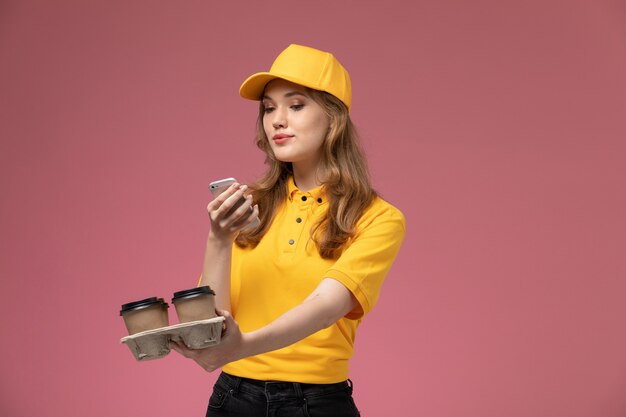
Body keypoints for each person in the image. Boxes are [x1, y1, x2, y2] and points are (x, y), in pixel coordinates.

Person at [171, 44, 406, 417]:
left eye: (296, 105)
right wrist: (218, 239)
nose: (277, 120)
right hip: (232, 400)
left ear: (333, 118)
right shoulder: (250, 207)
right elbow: (211, 323)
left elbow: (326, 306)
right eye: (268, 108)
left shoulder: (378, 217)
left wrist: (242, 346)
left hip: (316, 404)